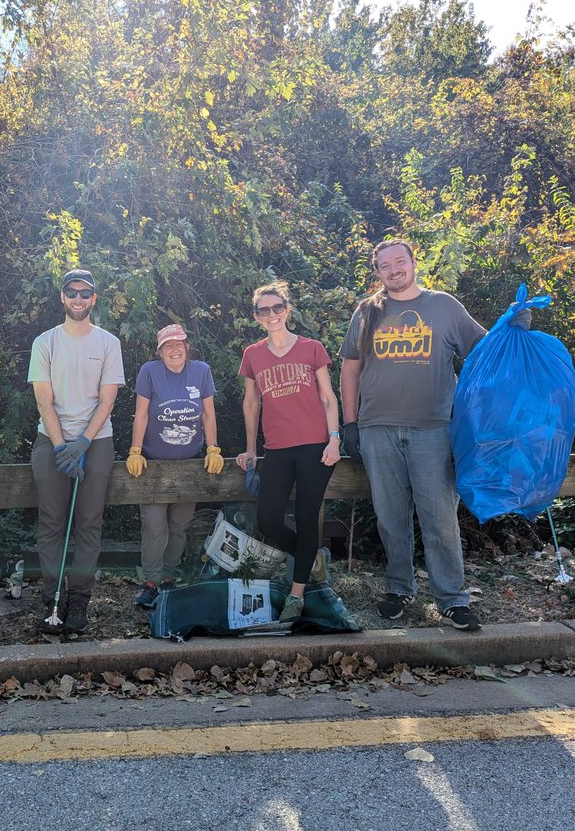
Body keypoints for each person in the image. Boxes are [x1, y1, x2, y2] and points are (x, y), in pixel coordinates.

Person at [339, 238, 526, 631]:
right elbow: (350, 370)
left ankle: (452, 600)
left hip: (435, 430)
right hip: (377, 429)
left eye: (399, 262)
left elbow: (483, 350)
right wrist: (350, 423)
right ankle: (398, 589)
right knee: (390, 518)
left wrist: (512, 328)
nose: (394, 270)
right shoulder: (367, 311)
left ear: (413, 262)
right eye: (385, 265)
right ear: (377, 272)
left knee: (440, 518)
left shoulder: (444, 306)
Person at [234, 280, 341, 623]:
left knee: (308, 518)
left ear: (287, 311)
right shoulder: (253, 355)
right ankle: (312, 559)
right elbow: (251, 404)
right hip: (276, 450)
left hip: (315, 448)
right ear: (257, 316)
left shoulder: (312, 348)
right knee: (268, 519)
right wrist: (251, 449)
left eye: (277, 308)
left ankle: (296, 594)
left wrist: (335, 439)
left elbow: (328, 397)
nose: (272, 314)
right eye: (264, 310)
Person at [28, 268, 125, 635]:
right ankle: (53, 596)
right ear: (62, 297)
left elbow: (108, 399)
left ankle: (80, 600)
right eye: (72, 292)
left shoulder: (107, 343)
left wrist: (84, 440)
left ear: (94, 298)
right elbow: (43, 401)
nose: (79, 299)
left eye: (86, 293)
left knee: (87, 523)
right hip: (51, 439)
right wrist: (60, 447)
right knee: (52, 522)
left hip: (96, 441)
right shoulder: (45, 342)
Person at [126, 323, 223, 610]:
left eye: (178, 344)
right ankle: (151, 583)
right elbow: (141, 414)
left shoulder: (201, 371)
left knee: (179, 525)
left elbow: (208, 414)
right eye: (168, 346)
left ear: (187, 346)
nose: (174, 350)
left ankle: (169, 579)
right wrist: (135, 450)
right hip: (154, 464)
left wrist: (213, 447)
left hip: (190, 464)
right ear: (159, 351)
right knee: (154, 525)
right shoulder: (149, 372)